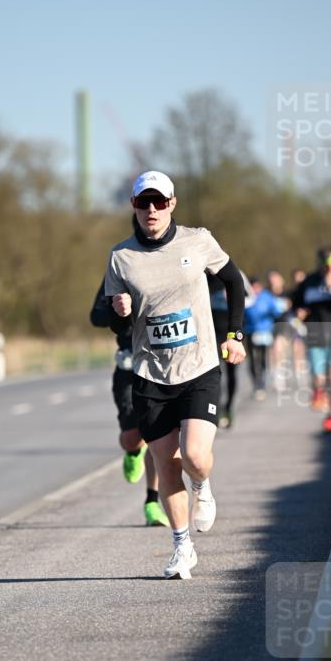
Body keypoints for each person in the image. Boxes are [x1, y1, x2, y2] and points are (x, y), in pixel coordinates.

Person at [104, 170, 246, 580]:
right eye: (144, 202)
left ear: (172, 204)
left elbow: (234, 281)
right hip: (150, 373)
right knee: (167, 463)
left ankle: (203, 487)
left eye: (159, 202)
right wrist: (121, 313)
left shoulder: (197, 240)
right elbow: (117, 325)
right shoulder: (121, 257)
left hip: (199, 365)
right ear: (133, 206)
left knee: (196, 457)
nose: (152, 209)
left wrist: (234, 335)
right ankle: (183, 548)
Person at [90, 281, 170, 527]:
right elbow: (95, 316)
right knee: (134, 438)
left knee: (158, 437)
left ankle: (152, 503)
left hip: (160, 366)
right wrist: (119, 310)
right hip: (128, 368)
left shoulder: (166, 268)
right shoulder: (115, 276)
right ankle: (133, 451)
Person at [291, 247, 331, 433]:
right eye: (327, 264)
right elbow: (297, 305)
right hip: (315, 336)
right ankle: (318, 392)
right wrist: (298, 313)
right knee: (319, 378)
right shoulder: (309, 282)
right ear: (320, 263)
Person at [208, 269, 253, 428]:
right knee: (215, 374)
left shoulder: (234, 273)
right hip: (211, 334)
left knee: (231, 373)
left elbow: (251, 298)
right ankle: (218, 412)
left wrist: (233, 299)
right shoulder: (202, 274)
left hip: (231, 335)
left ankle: (229, 408)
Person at [243, 275, 285, 400]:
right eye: (253, 287)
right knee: (252, 360)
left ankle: (262, 384)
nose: (255, 289)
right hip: (250, 331)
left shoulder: (267, 296)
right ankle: (256, 383)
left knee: (263, 359)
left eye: (257, 287)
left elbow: (277, 311)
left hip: (265, 332)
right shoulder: (246, 296)